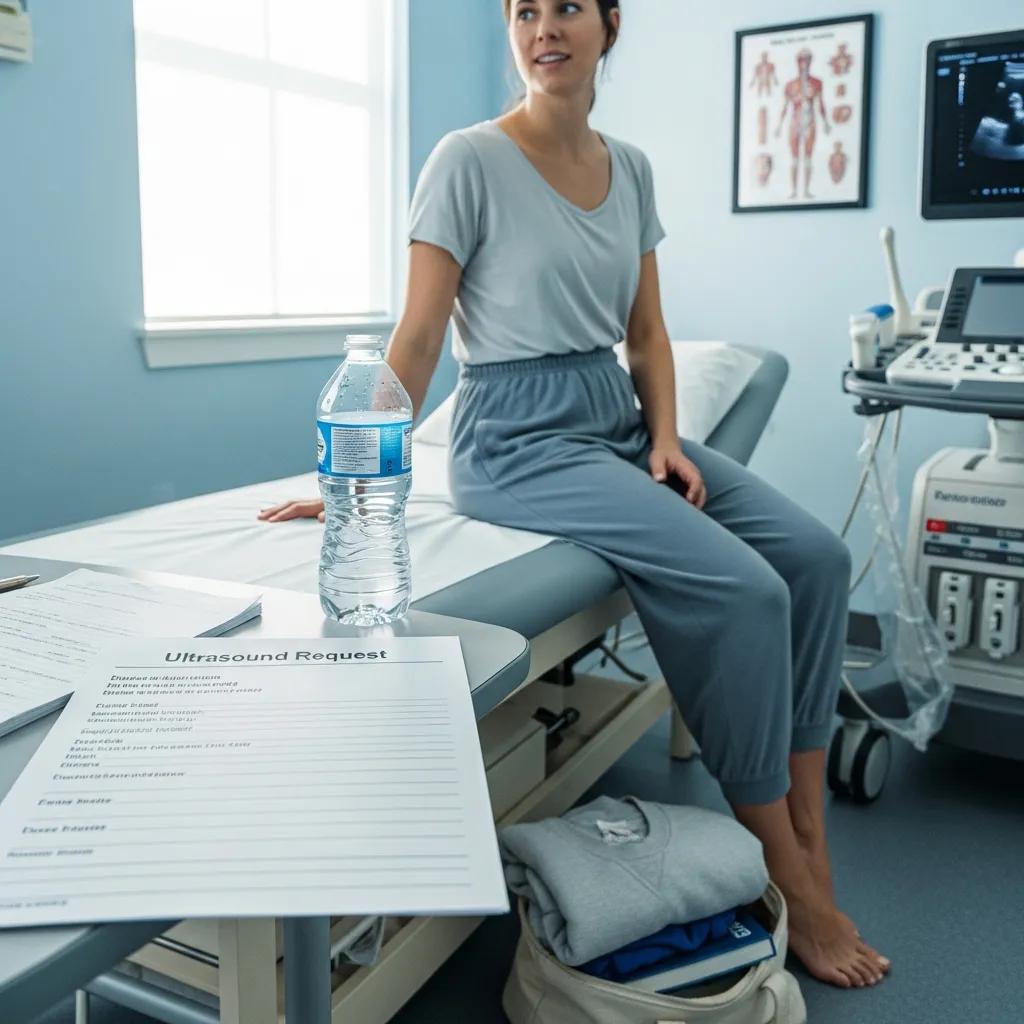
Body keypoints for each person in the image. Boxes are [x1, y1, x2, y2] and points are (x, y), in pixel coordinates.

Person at [259, 0, 891, 990]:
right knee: (745, 590)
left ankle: (807, 831)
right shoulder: (465, 160)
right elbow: (419, 340)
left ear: (608, 25)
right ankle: (792, 874)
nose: (542, 27)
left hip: (615, 412)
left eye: (565, 9)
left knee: (814, 560)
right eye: (522, 10)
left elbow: (645, 335)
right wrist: (354, 481)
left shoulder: (629, 168)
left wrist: (669, 441)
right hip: (515, 437)